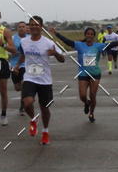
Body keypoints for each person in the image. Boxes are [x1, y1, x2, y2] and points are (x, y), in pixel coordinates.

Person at [20, 15, 65, 144]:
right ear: (29, 27)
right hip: (29, 77)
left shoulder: (48, 43)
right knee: (27, 102)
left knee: (45, 108)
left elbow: (62, 59)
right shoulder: (24, 42)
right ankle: (33, 119)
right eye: (31, 24)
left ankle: (45, 131)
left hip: (45, 80)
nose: (34, 27)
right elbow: (23, 54)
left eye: (36, 25)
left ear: (41, 27)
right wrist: (17, 65)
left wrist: (55, 53)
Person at [50, 24, 108, 123]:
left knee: (93, 95)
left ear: (93, 36)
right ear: (85, 35)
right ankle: (86, 102)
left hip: (95, 74)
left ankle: (91, 113)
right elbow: (67, 41)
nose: (89, 35)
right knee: (82, 96)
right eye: (87, 34)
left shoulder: (98, 46)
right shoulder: (79, 45)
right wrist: (56, 34)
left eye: (91, 34)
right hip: (83, 74)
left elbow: (113, 44)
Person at [10, 21, 28, 115]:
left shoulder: (30, 38)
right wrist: (13, 52)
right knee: (17, 88)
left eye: (23, 26)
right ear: (17, 29)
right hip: (14, 65)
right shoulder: (13, 38)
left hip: (26, 65)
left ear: (26, 28)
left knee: (24, 83)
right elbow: (9, 51)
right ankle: (26, 94)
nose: (21, 28)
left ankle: (22, 106)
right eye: (19, 27)